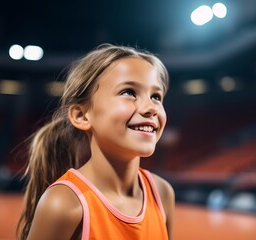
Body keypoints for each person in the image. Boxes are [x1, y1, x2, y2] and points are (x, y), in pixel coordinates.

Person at [17, 44, 175, 240]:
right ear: (82, 115)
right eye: (129, 92)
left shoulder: (162, 193)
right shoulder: (64, 203)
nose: (151, 107)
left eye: (156, 96)